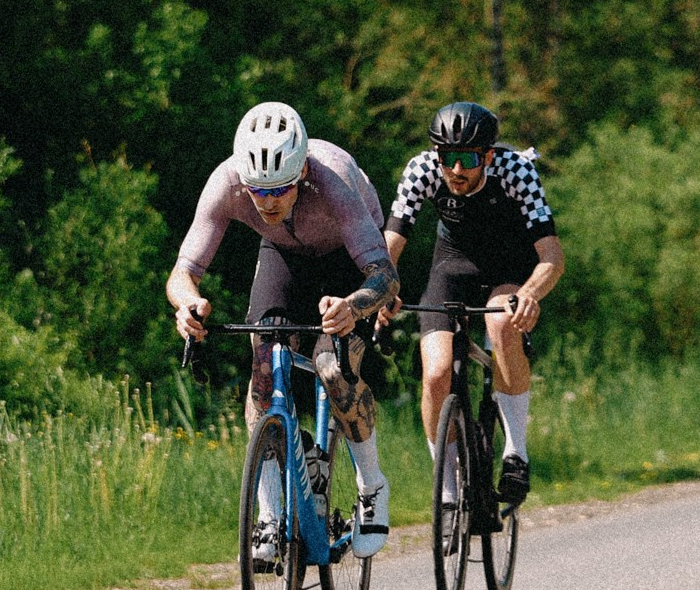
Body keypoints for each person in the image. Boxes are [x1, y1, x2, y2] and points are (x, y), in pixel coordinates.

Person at [169, 102, 396, 557]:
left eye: (281, 190)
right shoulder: (226, 182)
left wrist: (353, 306)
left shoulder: (333, 182)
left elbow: (385, 277)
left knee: (332, 368)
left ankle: (372, 487)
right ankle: (270, 517)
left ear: (302, 172)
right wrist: (187, 305)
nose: (268, 202)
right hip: (284, 256)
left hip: (347, 261)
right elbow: (182, 273)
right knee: (263, 365)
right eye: (258, 191)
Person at [383, 101, 563, 507]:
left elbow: (551, 254)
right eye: (448, 158)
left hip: (508, 267)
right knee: (436, 374)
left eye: (467, 159)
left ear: (488, 155)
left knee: (501, 324)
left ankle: (516, 452)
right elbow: (388, 246)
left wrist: (529, 294)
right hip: (452, 266)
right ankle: (445, 489)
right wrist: (379, 289)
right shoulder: (423, 170)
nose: (456, 170)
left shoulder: (516, 171)